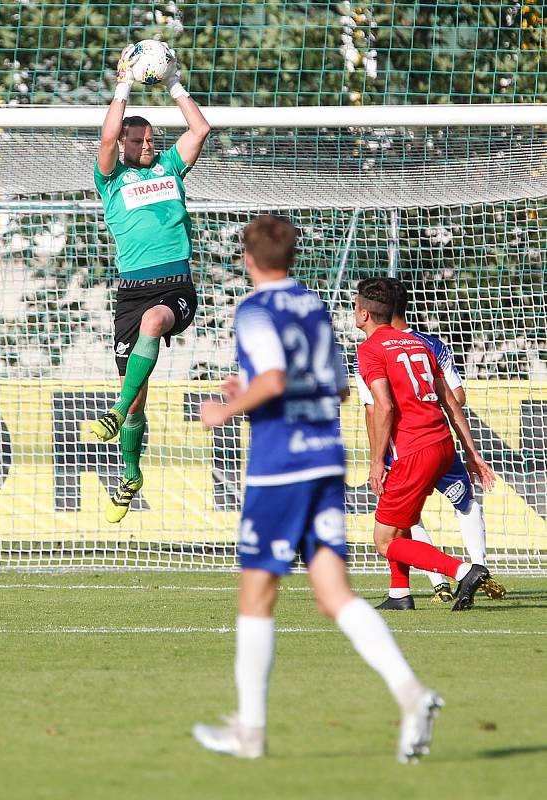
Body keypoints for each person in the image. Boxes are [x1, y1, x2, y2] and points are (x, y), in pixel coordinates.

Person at [192, 215, 443, 764]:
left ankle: (250, 733)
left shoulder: (256, 309)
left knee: (256, 593)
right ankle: (412, 694)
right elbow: (340, 390)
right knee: (334, 593)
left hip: (280, 466)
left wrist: (227, 406)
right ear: (293, 256)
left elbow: (276, 378)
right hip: (326, 459)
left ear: (248, 258)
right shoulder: (314, 307)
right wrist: (255, 388)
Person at [91, 43, 211, 523]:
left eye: (151, 140)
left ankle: (115, 411)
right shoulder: (111, 181)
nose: (148, 146)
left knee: (156, 322)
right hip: (131, 291)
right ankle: (131, 473)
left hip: (173, 287)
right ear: (124, 144)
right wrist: (123, 82)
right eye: (139, 142)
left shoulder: (170, 168)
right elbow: (104, 139)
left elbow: (201, 128)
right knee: (139, 399)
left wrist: (173, 83)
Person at [354, 278, 505, 606]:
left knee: (384, 540)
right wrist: (472, 452)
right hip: (442, 442)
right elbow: (452, 400)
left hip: (411, 450)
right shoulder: (422, 345)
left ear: (364, 314)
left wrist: (377, 460)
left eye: (355, 306)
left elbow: (382, 407)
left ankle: (464, 571)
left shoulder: (370, 350)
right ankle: (400, 593)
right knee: (402, 520)